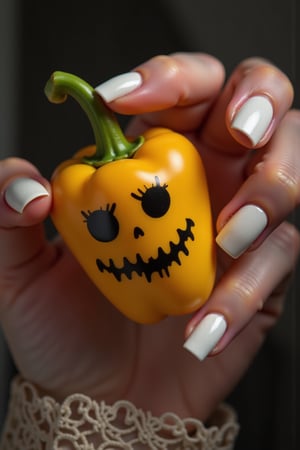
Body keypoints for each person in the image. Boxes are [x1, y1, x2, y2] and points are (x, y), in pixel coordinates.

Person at [0, 52, 299, 449]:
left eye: (155, 203)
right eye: (102, 226)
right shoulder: (72, 189)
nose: (139, 228)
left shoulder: (171, 154)